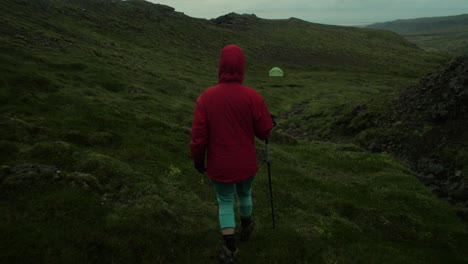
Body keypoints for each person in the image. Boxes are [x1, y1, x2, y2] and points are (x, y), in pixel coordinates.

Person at [190, 44, 274, 263]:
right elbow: (264, 131)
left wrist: (198, 159)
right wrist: (269, 122)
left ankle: (229, 248)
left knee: (225, 200)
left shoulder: (206, 98)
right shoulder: (253, 97)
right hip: (246, 162)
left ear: (221, 66)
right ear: (242, 67)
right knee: (245, 194)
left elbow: (199, 136)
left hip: (220, 163)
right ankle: (247, 224)